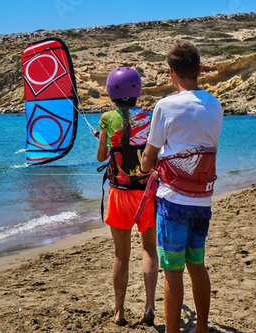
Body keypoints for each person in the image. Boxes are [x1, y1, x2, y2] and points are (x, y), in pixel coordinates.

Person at [137, 42, 224, 333]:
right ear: (200, 70)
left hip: (173, 202)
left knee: (173, 271)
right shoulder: (215, 105)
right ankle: (201, 329)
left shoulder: (165, 106)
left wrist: (142, 168)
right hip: (203, 201)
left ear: (171, 72)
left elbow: (149, 157)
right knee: (196, 264)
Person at [96, 67, 159, 326]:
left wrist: (106, 141)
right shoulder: (150, 116)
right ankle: (149, 307)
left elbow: (101, 157)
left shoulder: (106, 118)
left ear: (111, 93)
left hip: (119, 195)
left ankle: (119, 312)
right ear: (138, 91)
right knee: (150, 249)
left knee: (121, 255)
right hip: (145, 195)